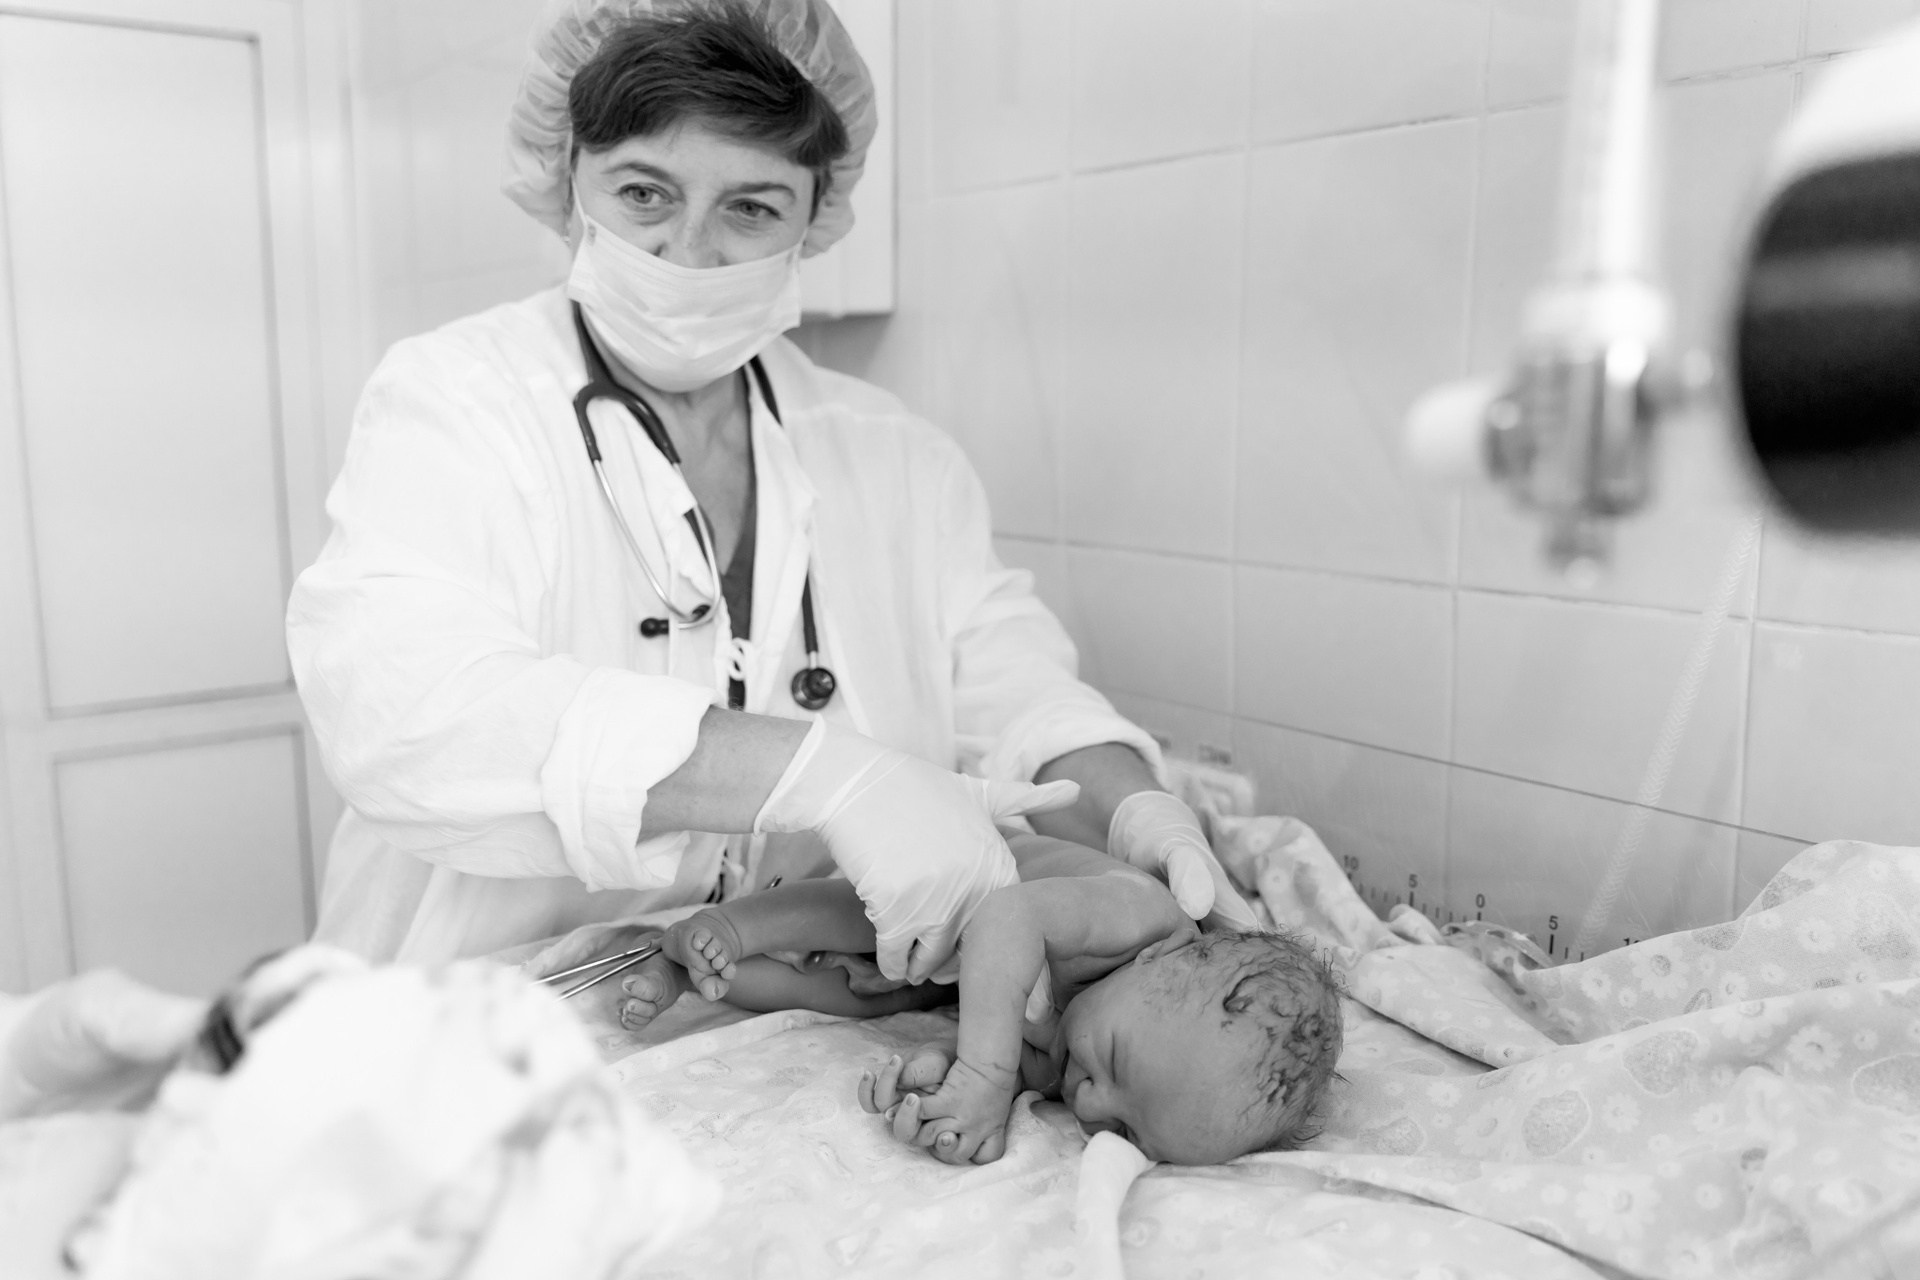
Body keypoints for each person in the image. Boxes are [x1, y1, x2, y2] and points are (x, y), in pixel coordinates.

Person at [287, 0, 1256, 989]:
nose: (689, 252)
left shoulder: (893, 455)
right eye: (643, 193)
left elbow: (1012, 691)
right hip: (468, 1016)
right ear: (567, 180)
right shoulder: (454, 403)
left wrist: (1135, 812)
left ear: (814, 218)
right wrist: (819, 774)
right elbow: (408, 712)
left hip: (761, 1022)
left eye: (750, 208)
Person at [627, 832, 1343, 1166]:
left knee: (865, 998)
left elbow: (1015, 1039)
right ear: (1165, 960)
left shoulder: (1118, 1034)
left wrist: (944, 1079)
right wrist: (986, 1073)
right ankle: (729, 927)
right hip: (946, 884)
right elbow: (1006, 918)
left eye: (1126, 1132)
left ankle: (693, 970)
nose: (1089, 1102)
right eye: (1115, 1063)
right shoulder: (1139, 916)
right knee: (873, 916)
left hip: (942, 971)